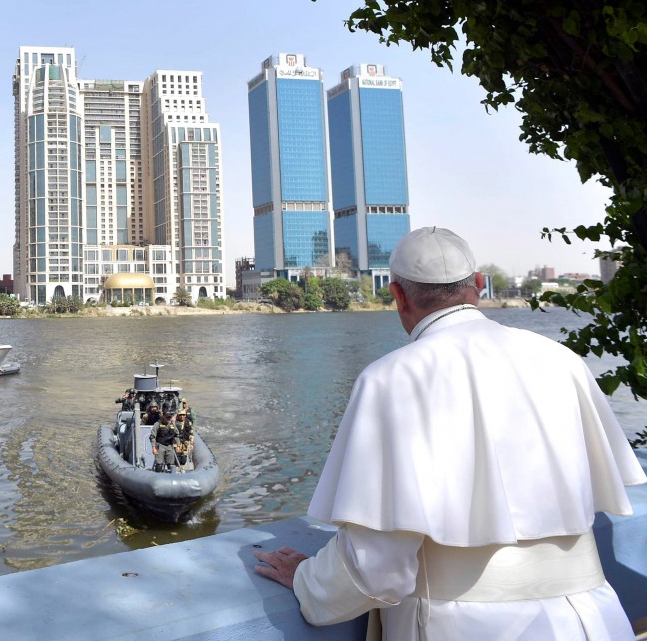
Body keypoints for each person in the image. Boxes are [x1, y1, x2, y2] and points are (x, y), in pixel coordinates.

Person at [253, 226, 646, 639]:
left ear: (398, 296)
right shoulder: (562, 360)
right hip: (590, 619)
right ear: (478, 285)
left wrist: (309, 581)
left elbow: (377, 569)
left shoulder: (390, 378)